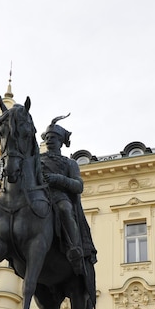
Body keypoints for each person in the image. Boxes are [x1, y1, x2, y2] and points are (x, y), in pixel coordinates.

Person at [40, 115, 97, 275]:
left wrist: (59, 179)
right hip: (39, 195)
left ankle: (75, 249)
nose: (50, 140)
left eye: (54, 138)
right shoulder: (37, 160)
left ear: (61, 142)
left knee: (65, 209)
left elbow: (78, 186)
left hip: (58, 196)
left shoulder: (69, 163)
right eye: (48, 137)